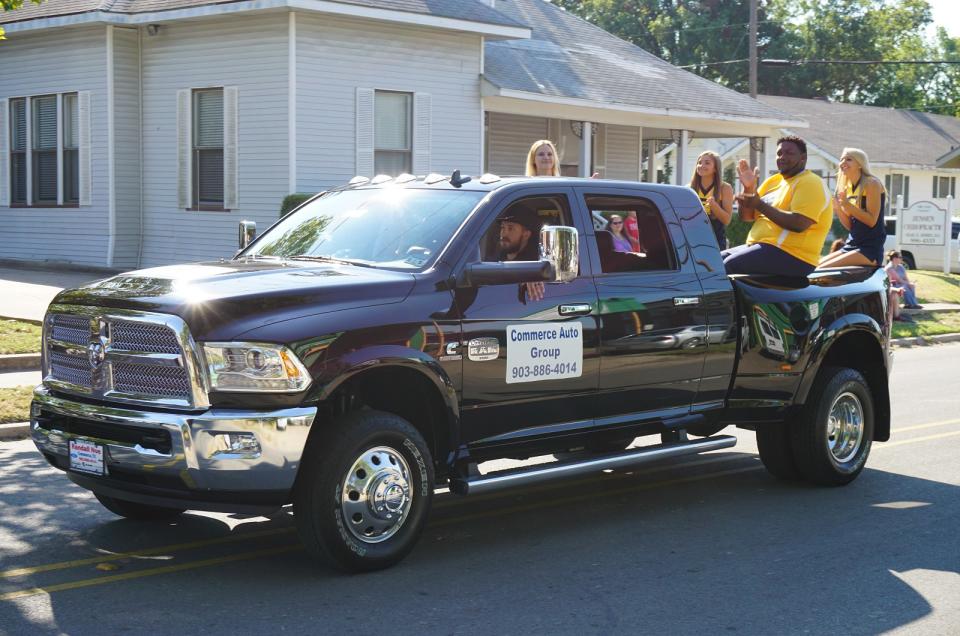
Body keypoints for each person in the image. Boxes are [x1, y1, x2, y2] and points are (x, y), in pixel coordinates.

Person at [723, 135, 832, 277]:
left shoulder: (810, 182)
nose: (782, 157)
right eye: (779, 153)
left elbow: (799, 224)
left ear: (803, 158)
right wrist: (748, 189)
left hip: (793, 255)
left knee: (729, 265)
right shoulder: (773, 181)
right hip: (764, 248)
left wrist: (759, 203)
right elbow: (747, 216)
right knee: (713, 262)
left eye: (789, 153)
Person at [818, 148, 887, 268]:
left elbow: (871, 221)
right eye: (842, 159)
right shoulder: (847, 187)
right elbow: (851, 226)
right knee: (814, 266)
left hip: (869, 249)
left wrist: (846, 205)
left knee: (821, 270)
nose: (843, 163)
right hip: (852, 245)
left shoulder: (872, 183)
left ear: (860, 164)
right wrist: (838, 208)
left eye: (849, 159)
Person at [498, 207, 545, 301]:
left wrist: (533, 277)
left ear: (526, 234)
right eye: (503, 227)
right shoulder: (490, 260)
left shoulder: (537, 264)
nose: (504, 233)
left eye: (510, 228)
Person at [689, 151, 733, 249]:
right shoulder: (689, 188)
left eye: (707, 163)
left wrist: (714, 206)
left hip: (716, 240)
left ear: (715, 169)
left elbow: (727, 220)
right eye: (699, 162)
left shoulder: (725, 188)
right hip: (693, 239)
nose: (701, 165)